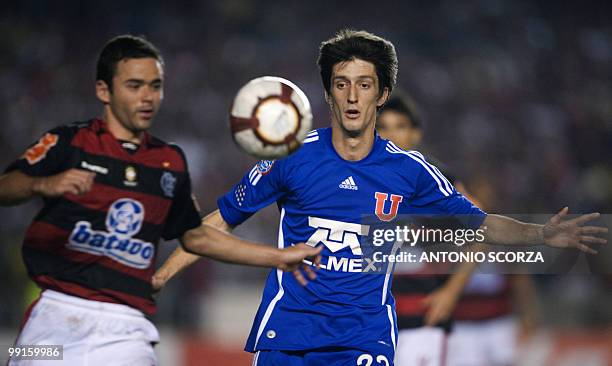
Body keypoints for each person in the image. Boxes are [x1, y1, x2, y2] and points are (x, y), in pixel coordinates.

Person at [155, 29, 606, 365]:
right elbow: (221, 219)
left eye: (365, 84)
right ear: (329, 93)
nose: (352, 96)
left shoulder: (408, 171)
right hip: (288, 335)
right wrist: (162, 274)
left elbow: (481, 223)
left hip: (364, 340)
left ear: (382, 94)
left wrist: (542, 234)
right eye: (341, 83)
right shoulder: (291, 157)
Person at [0, 35, 321, 366]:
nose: (147, 97)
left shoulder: (168, 162)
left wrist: (278, 256)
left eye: (155, 86)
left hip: (126, 330)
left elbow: (196, 236)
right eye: (135, 85)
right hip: (53, 321)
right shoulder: (68, 141)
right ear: (103, 91)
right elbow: (6, 186)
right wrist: (44, 183)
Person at [377, 94, 538, 366]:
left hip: (421, 320)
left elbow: (483, 229)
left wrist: (451, 291)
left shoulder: (435, 179)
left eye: (400, 126)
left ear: (415, 134)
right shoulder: (355, 176)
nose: (391, 135)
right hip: (371, 321)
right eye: (383, 127)